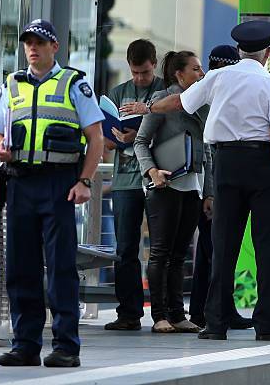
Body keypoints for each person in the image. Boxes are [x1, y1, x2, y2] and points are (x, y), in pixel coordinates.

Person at [127, 20, 270, 341]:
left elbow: (177, 102)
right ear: (267, 53)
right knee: (268, 248)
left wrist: (146, 106)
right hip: (264, 166)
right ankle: (266, 325)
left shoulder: (218, 77)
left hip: (226, 164)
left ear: (239, 50)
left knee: (223, 245)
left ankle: (215, 323)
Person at [0, 19, 104, 367]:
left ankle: (66, 346)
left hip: (59, 183)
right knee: (20, 267)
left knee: (60, 267)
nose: (32, 48)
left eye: (40, 42)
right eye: (28, 43)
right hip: (20, 181)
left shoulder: (74, 83)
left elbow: (96, 137)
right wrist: (0, 148)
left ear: (55, 46)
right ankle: (25, 344)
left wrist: (84, 181)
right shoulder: (12, 84)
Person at [133, 50, 211, 333]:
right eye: (195, 69)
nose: (201, 74)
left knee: (180, 254)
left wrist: (209, 191)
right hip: (164, 185)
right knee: (161, 253)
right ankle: (159, 316)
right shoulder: (162, 101)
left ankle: (178, 314)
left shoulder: (202, 104)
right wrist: (153, 172)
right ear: (179, 74)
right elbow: (140, 142)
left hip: (193, 185)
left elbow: (209, 149)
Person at [188, 45, 253, 330]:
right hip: (205, 187)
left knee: (216, 251)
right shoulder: (208, 98)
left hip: (210, 186)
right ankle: (207, 311)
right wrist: (210, 193)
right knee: (210, 252)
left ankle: (219, 309)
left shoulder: (218, 94)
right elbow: (209, 153)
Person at [103, 39, 164, 331]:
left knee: (161, 249)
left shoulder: (166, 91)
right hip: (125, 179)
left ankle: (163, 313)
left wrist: (146, 113)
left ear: (155, 64)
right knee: (126, 248)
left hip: (159, 177)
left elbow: (173, 128)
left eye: (146, 73)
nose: (140, 78)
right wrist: (115, 136)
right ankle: (128, 312)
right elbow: (104, 141)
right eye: (136, 73)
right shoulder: (117, 93)